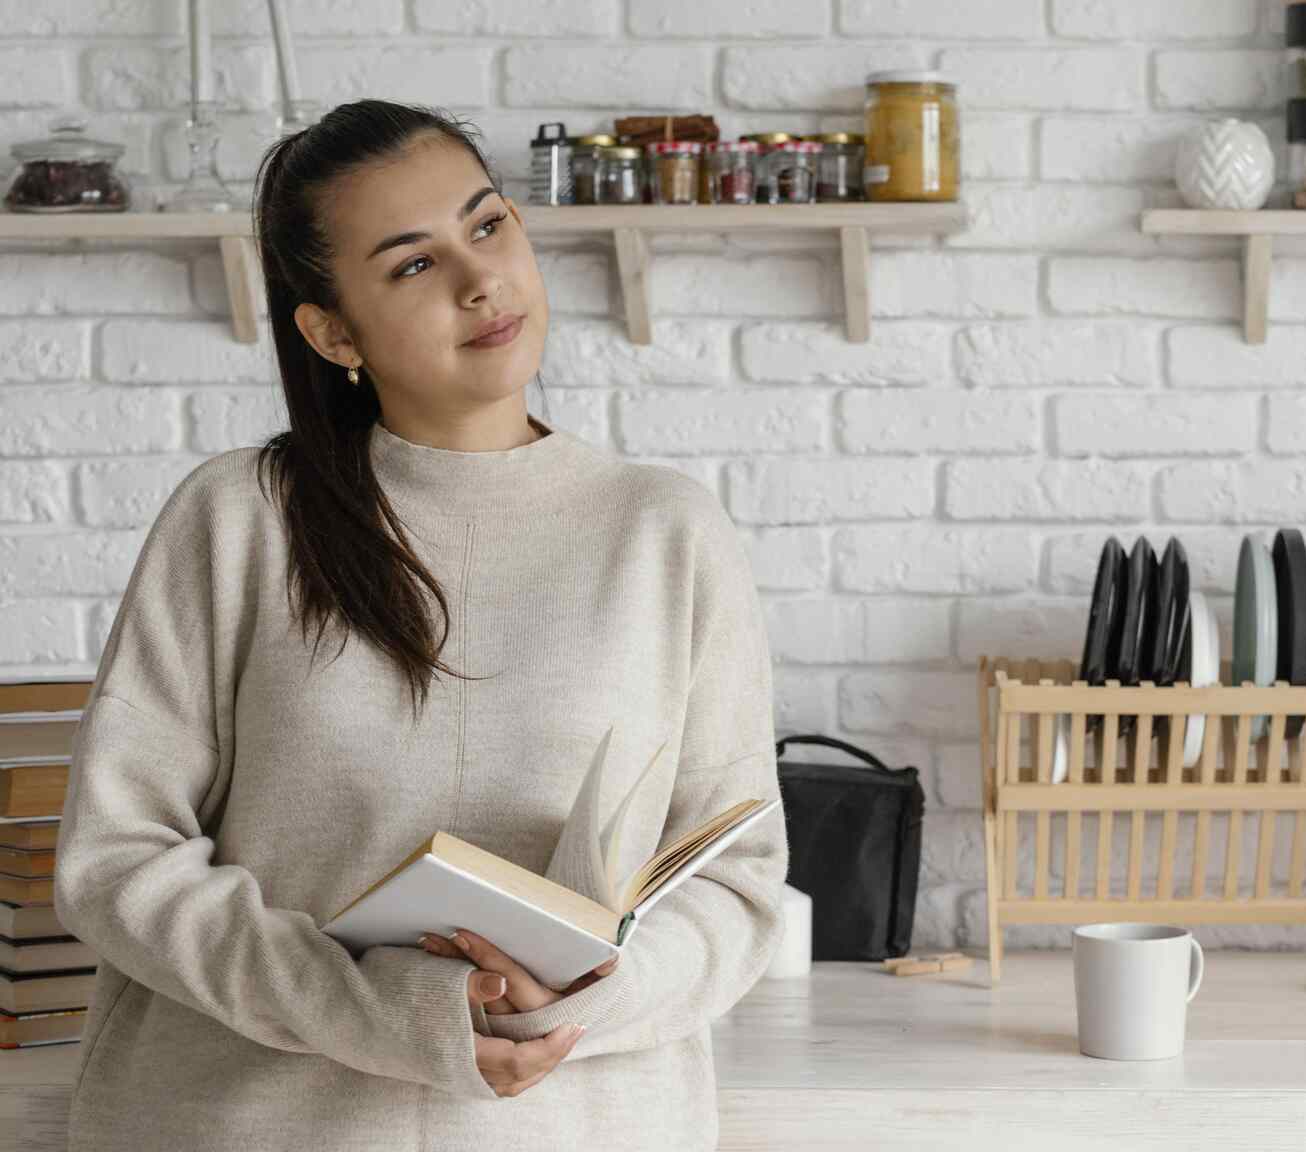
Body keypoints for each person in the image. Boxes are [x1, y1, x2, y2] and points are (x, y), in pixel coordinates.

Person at [53, 99, 787, 1151]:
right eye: (411, 264)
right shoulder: (239, 518)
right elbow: (116, 859)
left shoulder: (666, 530)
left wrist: (578, 1001)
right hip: (245, 1122)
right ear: (331, 331)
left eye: (488, 226)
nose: (479, 279)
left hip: (576, 1124)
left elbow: (735, 879)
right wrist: (391, 1014)